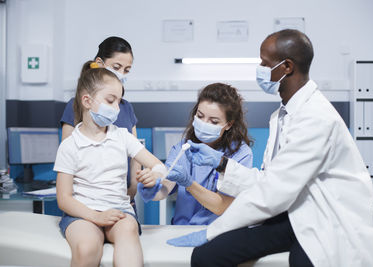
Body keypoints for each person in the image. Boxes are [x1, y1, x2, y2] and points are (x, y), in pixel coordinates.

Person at [168, 29, 373, 267]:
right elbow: (269, 180)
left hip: (326, 219)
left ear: (286, 67)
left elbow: (274, 192)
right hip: (293, 214)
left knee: (303, 261)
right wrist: (221, 163)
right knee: (206, 256)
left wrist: (212, 231)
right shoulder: (282, 115)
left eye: (264, 63)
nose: (260, 68)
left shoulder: (316, 118)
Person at [55, 67, 166, 267]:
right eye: (110, 100)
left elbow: (158, 165)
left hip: (119, 211)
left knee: (128, 233)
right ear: (87, 101)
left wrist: (155, 174)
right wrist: (96, 216)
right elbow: (63, 199)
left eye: (119, 102)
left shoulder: (122, 136)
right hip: (83, 214)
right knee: (86, 247)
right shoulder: (69, 145)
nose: (116, 108)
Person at [136, 83, 253, 225]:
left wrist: (189, 183)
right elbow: (166, 186)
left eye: (214, 121)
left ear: (228, 124)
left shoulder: (241, 154)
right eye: (200, 115)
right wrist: (153, 188)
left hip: (218, 233)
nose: (204, 123)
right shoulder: (183, 148)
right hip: (181, 228)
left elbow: (221, 206)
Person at [60, 36, 140, 197]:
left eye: (127, 70)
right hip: (84, 197)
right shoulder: (75, 105)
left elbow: (136, 156)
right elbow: (67, 157)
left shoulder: (126, 107)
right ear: (100, 63)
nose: (121, 74)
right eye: (117, 67)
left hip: (120, 196)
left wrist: (133, 188)